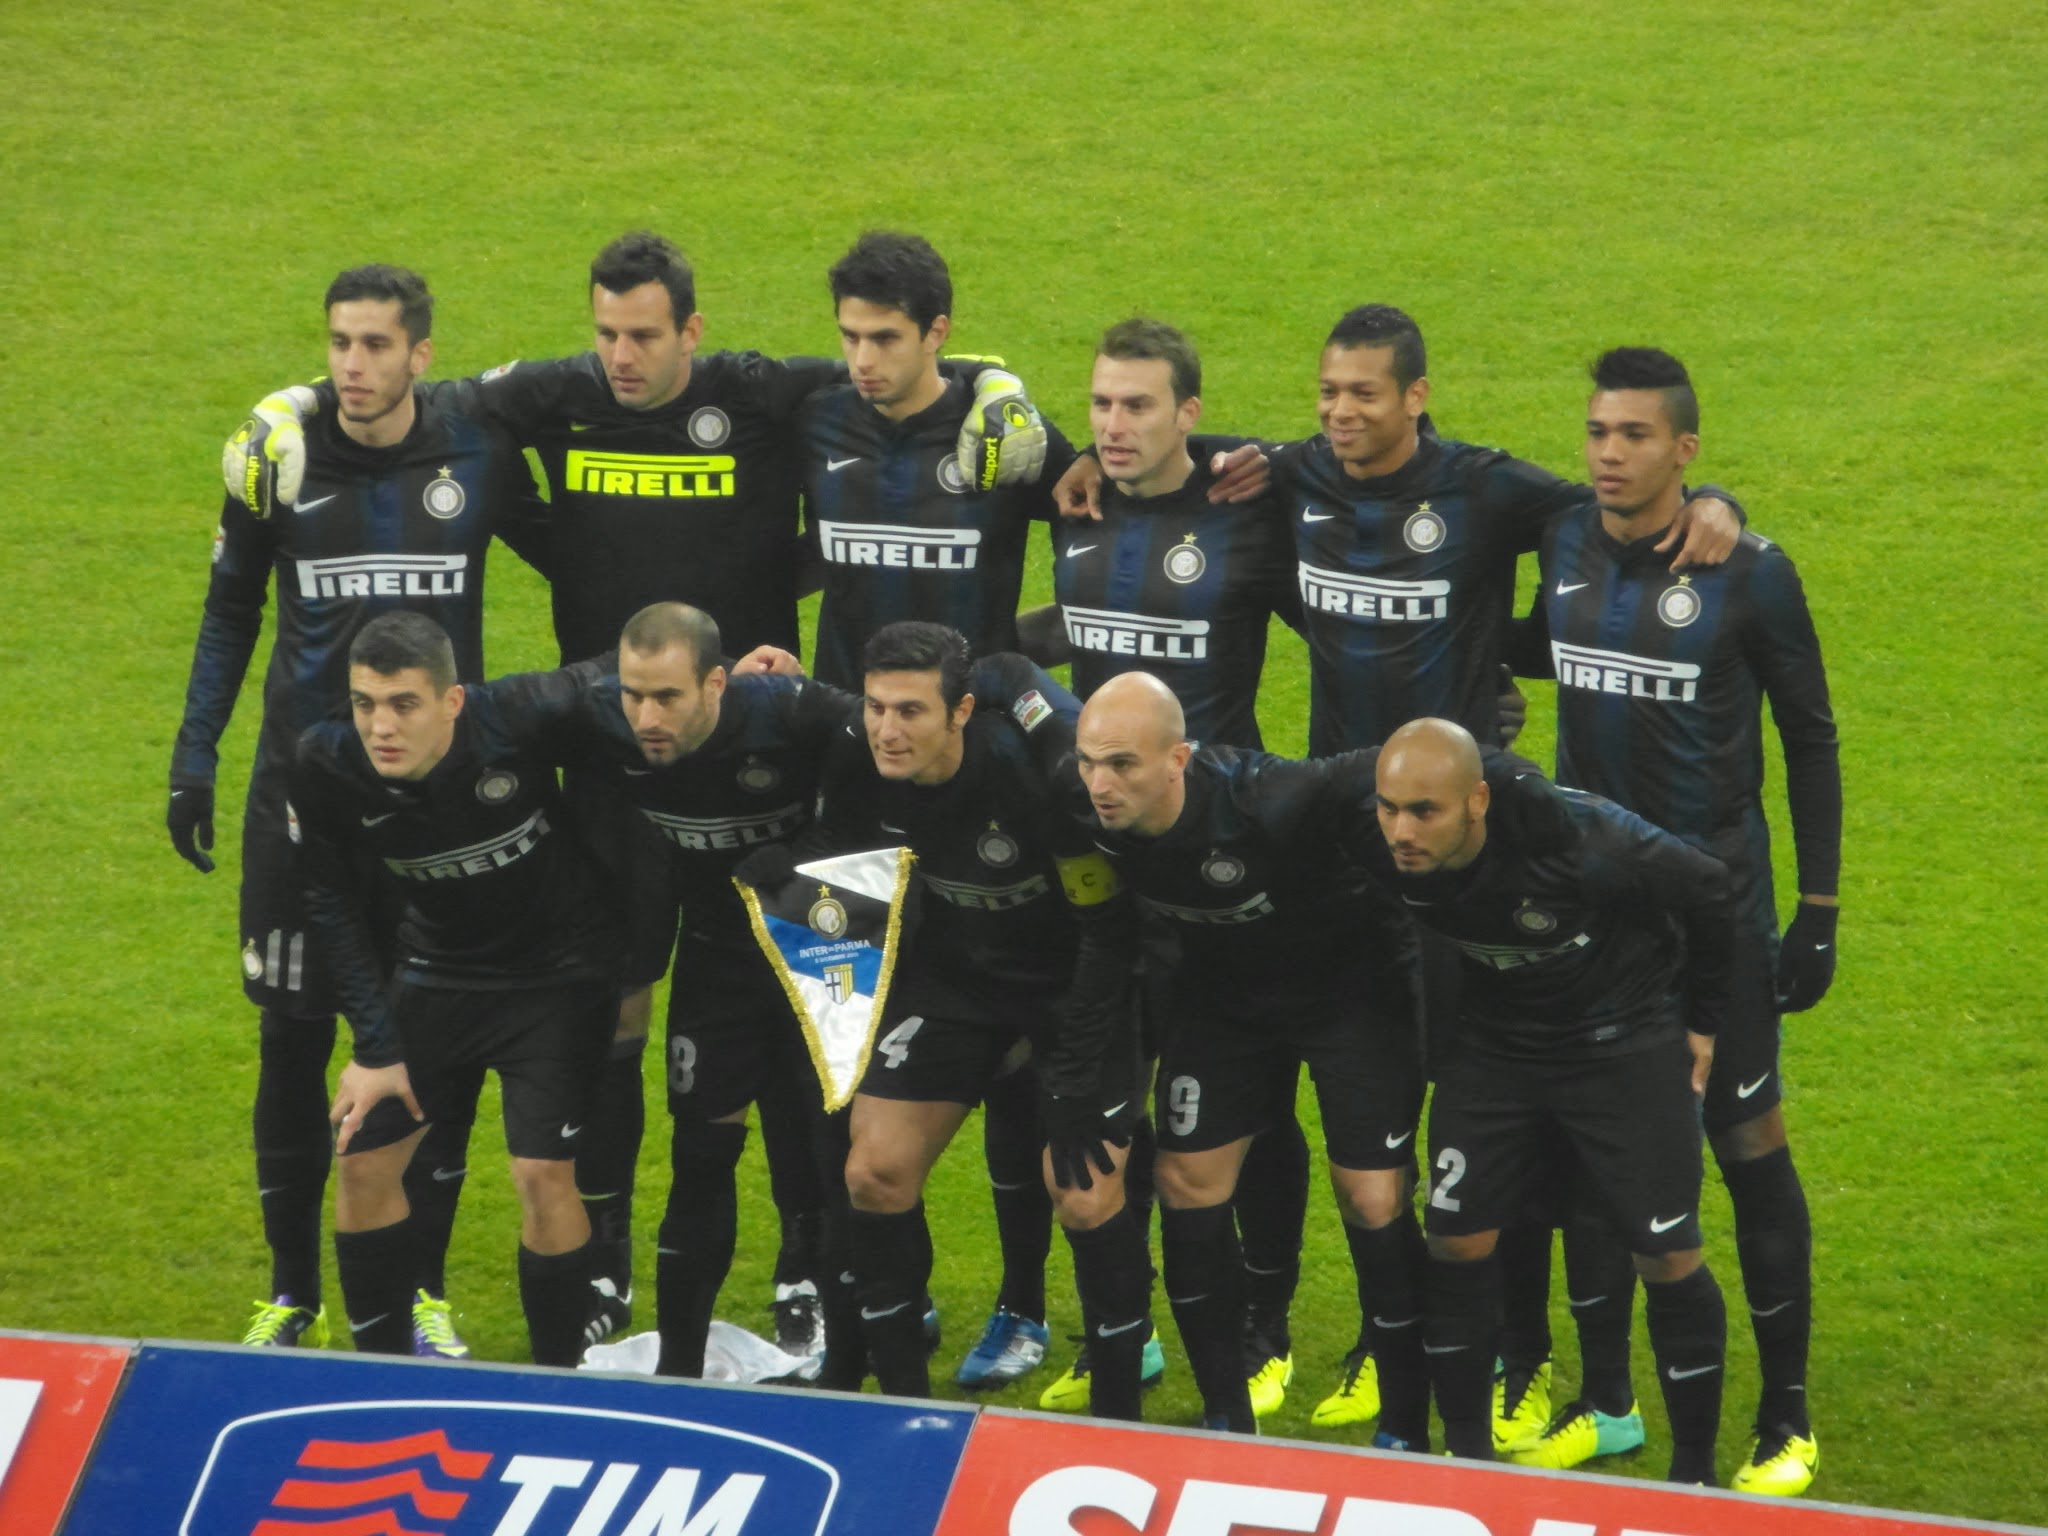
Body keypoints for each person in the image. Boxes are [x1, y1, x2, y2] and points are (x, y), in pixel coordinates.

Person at [225, 234, 1049, 1348]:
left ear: (689, 331)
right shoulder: (560, 397)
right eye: (607, 332)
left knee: (819, 1017)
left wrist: (998, 382)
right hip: (618, 773)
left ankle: (813, 1272)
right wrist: (289, 404)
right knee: (617, 1008)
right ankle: (604, 1264)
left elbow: (912, 371)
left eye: (644, 334)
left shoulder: (760, 394)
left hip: (778, 762)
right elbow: (410, 392)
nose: (621, 354)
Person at [170, 264, 549, 1356]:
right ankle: (291, 1294)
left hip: (437, 814)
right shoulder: (279, 462)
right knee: (291, 1045)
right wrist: (194, 755)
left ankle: (422, 1291)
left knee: (430, 1049)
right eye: (340, 342)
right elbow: (230, 610)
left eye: (377, 344)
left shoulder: (475, 454)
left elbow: (582, 560)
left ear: (420, 354)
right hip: (302, 805)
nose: (353, 365)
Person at [1500, 349, 1839, 1495]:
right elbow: (1532, 637)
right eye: (1597, 431)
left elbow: (1809, 738)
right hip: (1591, 916)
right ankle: (1605, 1404)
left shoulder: (1747, 573)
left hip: (1715, 915)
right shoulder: (1562, 538)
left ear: (1683, 450)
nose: (1608, 453)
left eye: (1634, 435)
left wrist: (1816, 908)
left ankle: (1783, 1416)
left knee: (1745, 1145)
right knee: (1588, 1152)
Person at [752, 622, 1156, 1418]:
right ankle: (905, 1407)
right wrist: (790, 864)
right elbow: (842, 840)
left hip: (1074, 988)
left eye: (910, 712)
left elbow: (1109, 933)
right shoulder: (863, 757)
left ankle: (1118, 1415)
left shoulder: (1035, 781)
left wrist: (1073, 1071)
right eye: (876, 708)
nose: (887, 730)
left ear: (961, 712)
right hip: (960, 986)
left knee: (1081, 1194)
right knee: (874, 1172)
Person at [1029, 318, 1314, 1419]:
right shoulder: (1074, 506)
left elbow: (1345, 623)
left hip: (1226, 867)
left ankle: (1265, 1321)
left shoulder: (1245, 513)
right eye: (1101, 403)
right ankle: (1127, 1327)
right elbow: (1071, 626)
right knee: (1110, 1094)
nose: (1113, 425)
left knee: (1251, 1111)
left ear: (1189, 414)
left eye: (1138, 405)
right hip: (1110, 860)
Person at [1367, 719, 1737, 1482]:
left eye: (1425, 812)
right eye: (1389, 808)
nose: (1402, 831)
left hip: (1620, 1046)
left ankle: (1694, 1477)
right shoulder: (1378, 838)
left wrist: (1703, 1021)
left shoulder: (1581, 839)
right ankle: (1466, 1463)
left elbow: (1709, 888)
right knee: (1456, 1240)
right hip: (1495, 1049)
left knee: (1667, 1252)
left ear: (1477, 802)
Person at [1070, 673, 1431, 1443]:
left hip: (1348, 998)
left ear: (1179, 760)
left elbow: (1368, 769)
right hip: (1223, 1005)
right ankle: (1227, 1417)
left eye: (1122, 764)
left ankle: (1405, 1422)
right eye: (1088, 762)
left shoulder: (1268, 797)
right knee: (1186, 1182)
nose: (1100, 785)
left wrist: (1494, 768)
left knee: (1373, 1197)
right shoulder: (1086, 815)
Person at [290, 614, 618, 1368]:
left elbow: (622, 664)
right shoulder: (326, 761)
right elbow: (329, 903)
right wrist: (375, 1049)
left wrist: (733, 668)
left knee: (541, 1174)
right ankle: (379, 1376)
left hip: (559, 975)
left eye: (403, 704)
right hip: (438, 970)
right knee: (363, 1162)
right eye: (366, 703)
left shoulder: (519, 713)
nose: (381, 726)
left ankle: (558, 1380)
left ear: (452, 701)